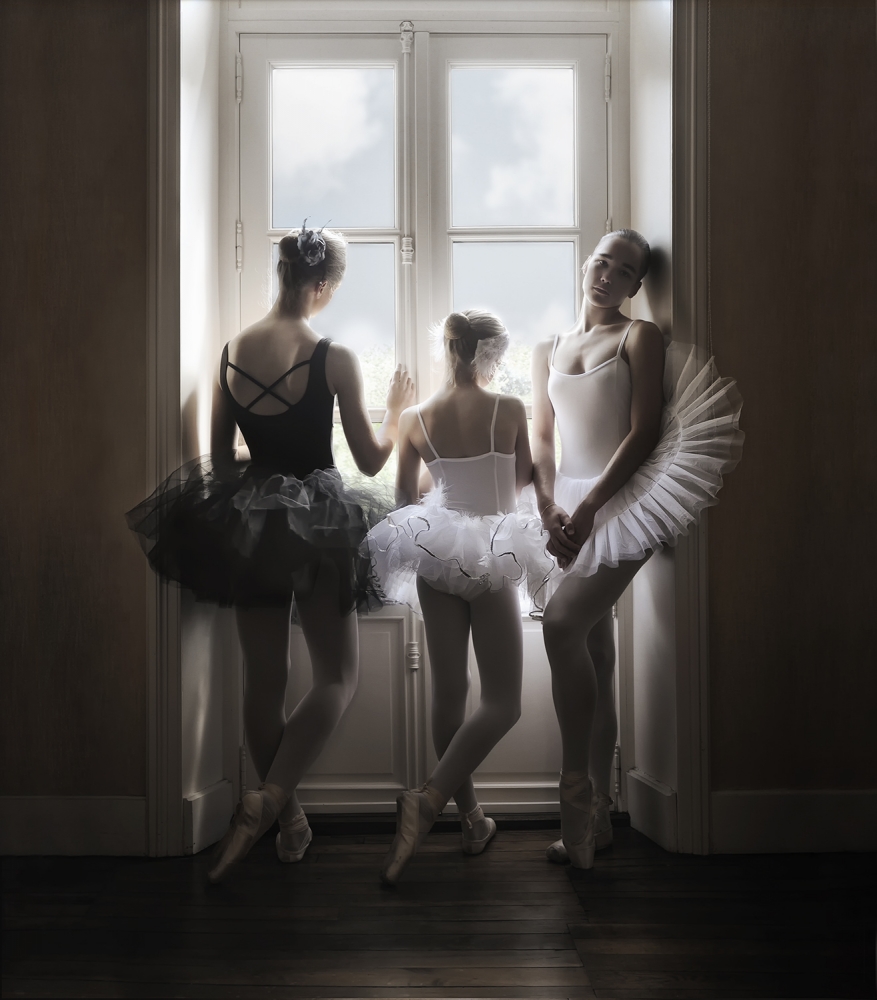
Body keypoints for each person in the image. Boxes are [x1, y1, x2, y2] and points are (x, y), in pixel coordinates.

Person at [127, 224, 414, 881]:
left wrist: (266, 464)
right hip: (319, 524)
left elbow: (221, 459)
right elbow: (370, 459)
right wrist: (396, 412)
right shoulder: (331, 356)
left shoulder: (232, 351)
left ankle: (287, 824)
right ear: (322, 285)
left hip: (251, 524)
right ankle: (273, 798)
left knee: (264, 680)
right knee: (337, 677)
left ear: (280, 272)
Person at [531, 229, 743, 868]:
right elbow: (542, 439)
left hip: (624, 500)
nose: (607, 276)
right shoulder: (547, 347)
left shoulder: (638, 336)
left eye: (624, 270)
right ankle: (599, 817)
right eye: (602, 262)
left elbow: (644, 430)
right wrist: (547, 505)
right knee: (597, 653)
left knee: (561, 625)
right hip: (564, 503)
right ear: (586, 263)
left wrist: (591, 506)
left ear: (636, 285)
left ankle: (574, 798)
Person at [369, 310, 554, 885]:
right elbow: (519, 482)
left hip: (437, 553)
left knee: (449, 694)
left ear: (447, 349)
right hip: (492, 553)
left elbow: (406, 498)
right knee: (503, 702)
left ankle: (473, 821)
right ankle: (429, 800)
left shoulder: (415, 417)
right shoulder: (508, 408)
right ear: (492, 354)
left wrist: (445, 488)